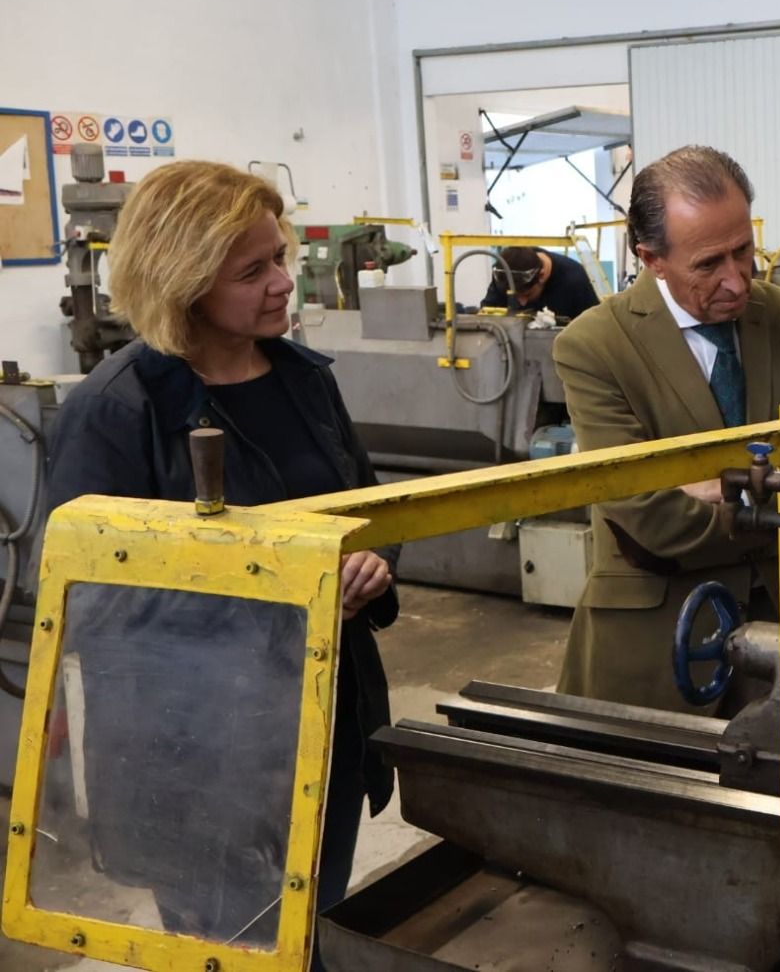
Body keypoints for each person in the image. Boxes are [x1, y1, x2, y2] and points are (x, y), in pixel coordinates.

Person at [45, 161, 397, 959]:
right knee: (229, 943)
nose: (283, 283)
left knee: (316, 926)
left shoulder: (305, 383)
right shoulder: (116, 411)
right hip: (199, 749)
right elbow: (89, 604)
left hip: (325, 710)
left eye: (280, 258)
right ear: (185, 281)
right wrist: (285, 597)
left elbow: (367, 508)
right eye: (254, 270)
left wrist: (370, 565)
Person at [553, 145, 780, 713]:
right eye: (709, 264)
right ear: (650, 258)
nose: (737, 281)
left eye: (743, 251)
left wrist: (716, 487)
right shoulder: (593, 347)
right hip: (656, 644)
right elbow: (650, 522)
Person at [479, 244, 600, 320]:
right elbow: (487, 316)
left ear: (541, 276)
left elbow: (593, 331)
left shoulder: (576, 282)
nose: (521, 303)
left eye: (527, 295)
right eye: (514, 296)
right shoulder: (505, 272)